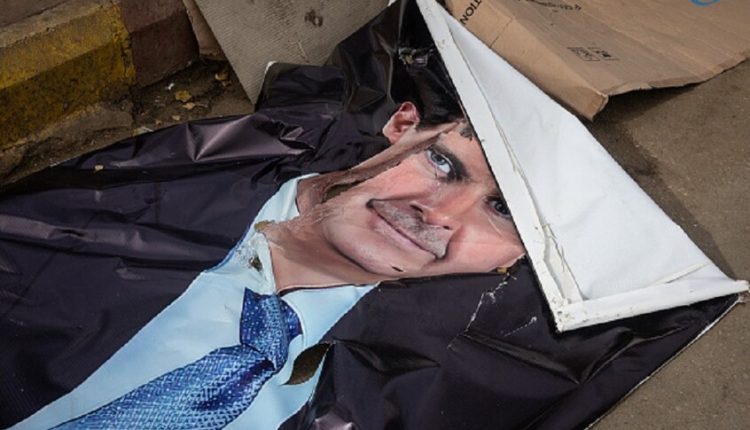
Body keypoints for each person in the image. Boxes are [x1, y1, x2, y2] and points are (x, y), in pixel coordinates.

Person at [13, 101, 526, 430]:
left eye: (505, 210)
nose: (439, 214)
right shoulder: (127, 210)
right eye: (441, 162)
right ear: (402, 126)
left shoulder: (427, 384)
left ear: (518, 258)